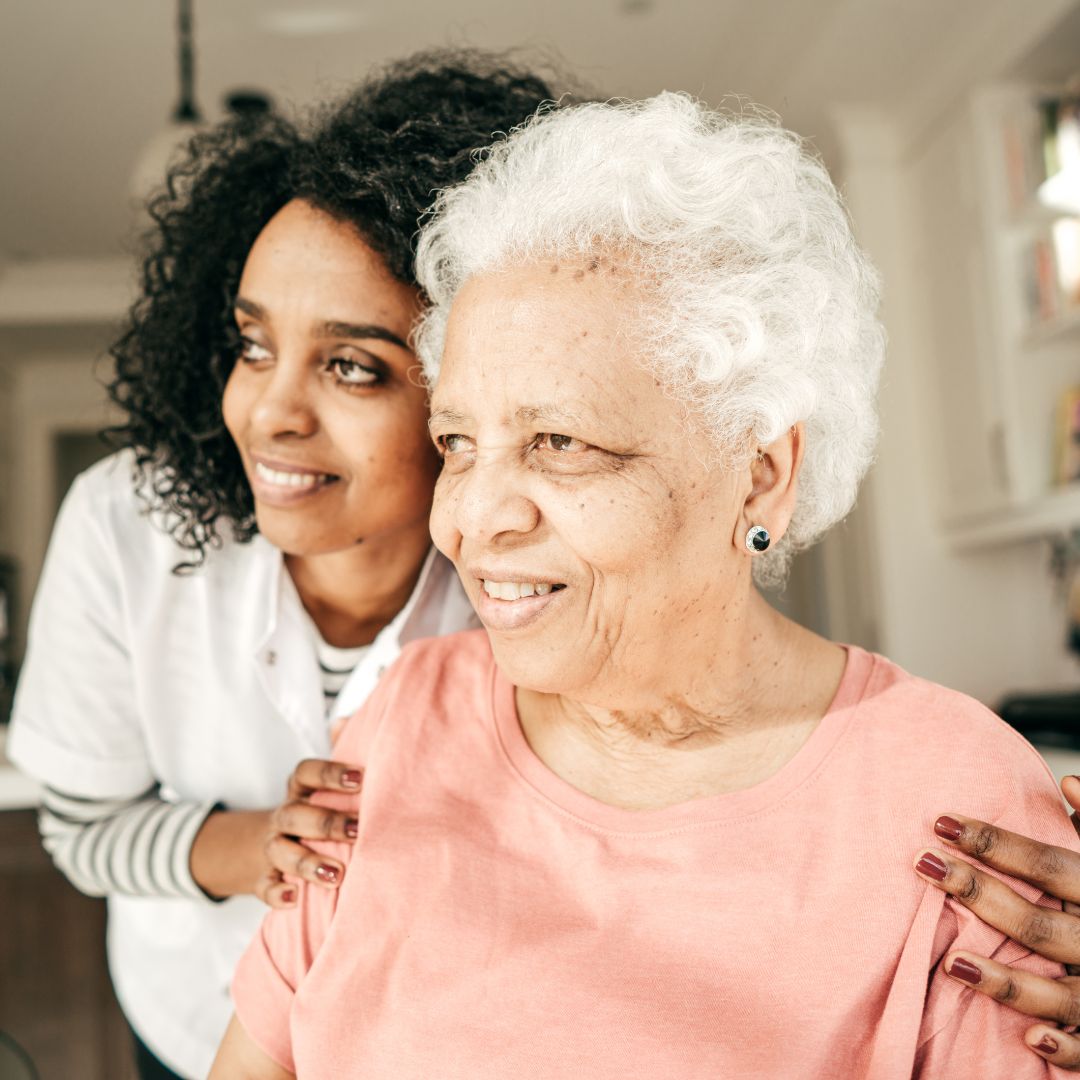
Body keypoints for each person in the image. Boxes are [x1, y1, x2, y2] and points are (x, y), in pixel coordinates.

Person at [211, 93, 1078, 1078]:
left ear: (761, 473)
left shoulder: (957, 801)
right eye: (458, 441)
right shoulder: (406, 716)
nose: (474, 518)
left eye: (560, 443)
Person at [7, 51, 559, 1080]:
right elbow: (83, 833)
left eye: (352, 365)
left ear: (481, 394)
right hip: (191, 1020)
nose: (269, 413)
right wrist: (261, 843)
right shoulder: (126, 526)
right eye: (253, 345)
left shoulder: (549, 575)